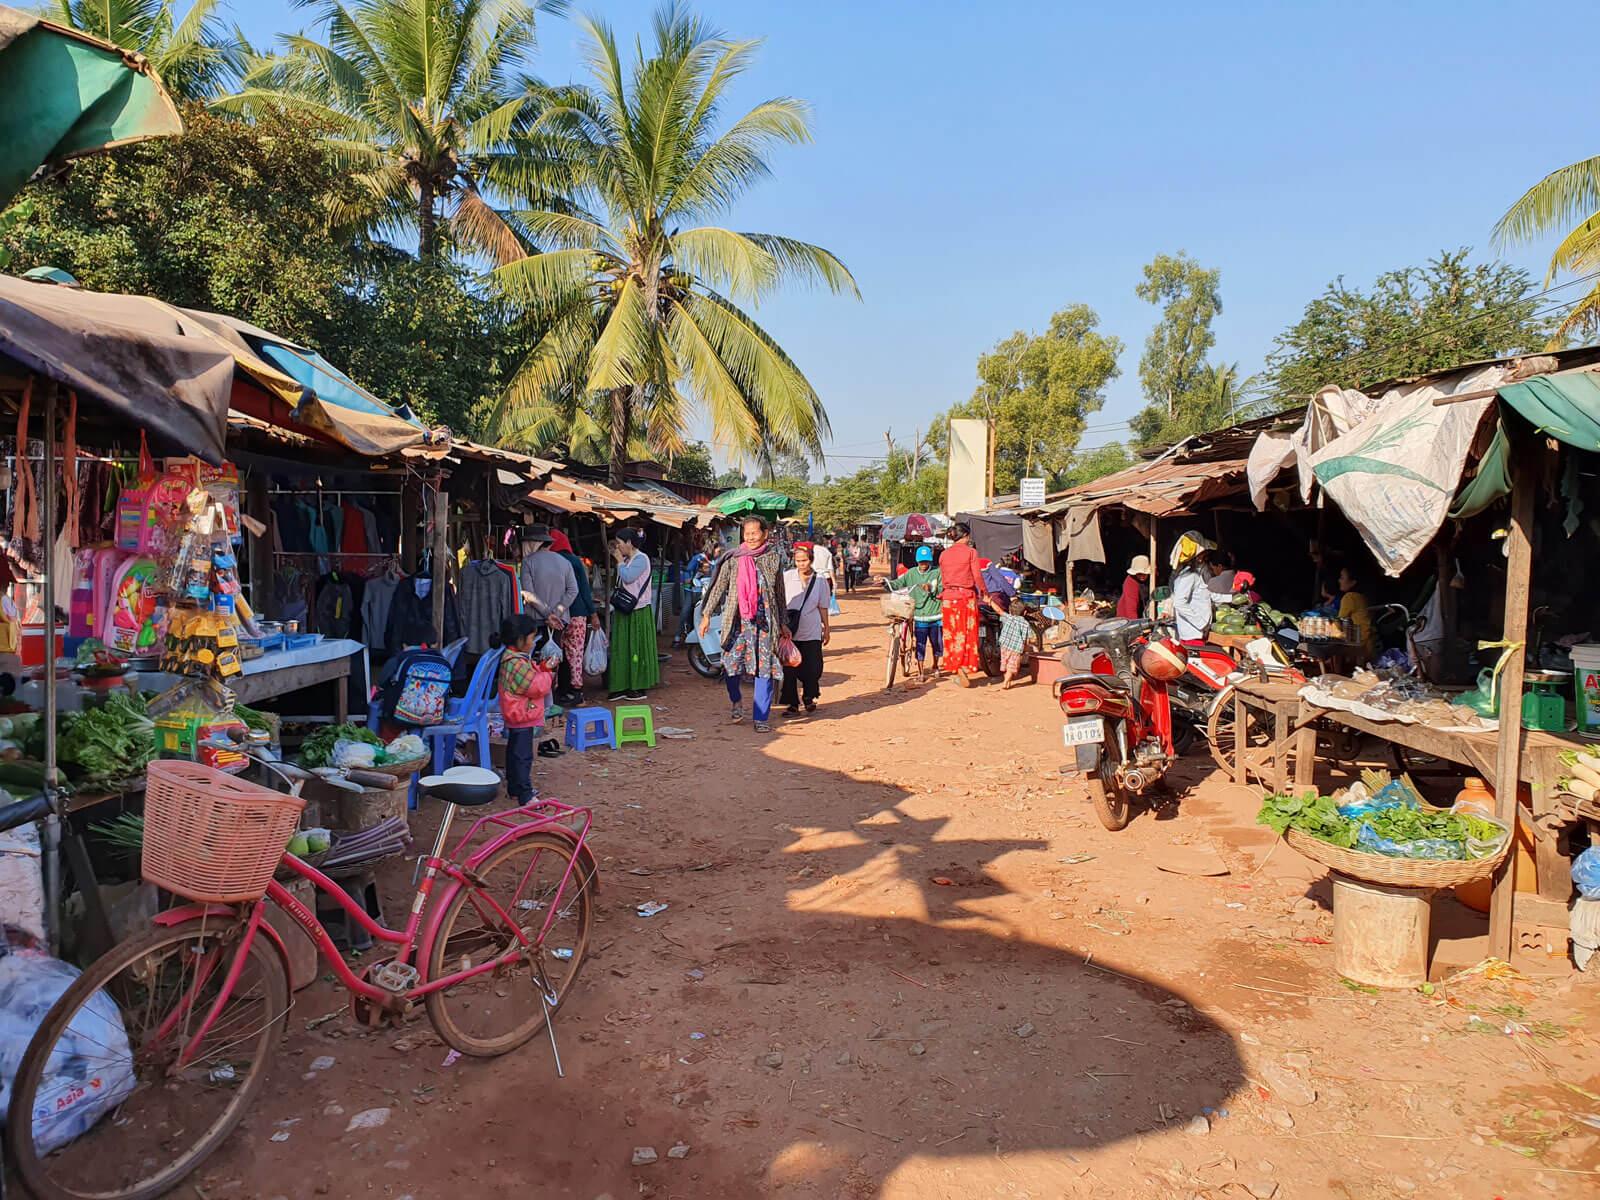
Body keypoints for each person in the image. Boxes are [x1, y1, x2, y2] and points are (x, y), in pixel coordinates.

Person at [700, 515, 788, 732]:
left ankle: (761, 718)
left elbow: (779, 593)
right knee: (731, 666)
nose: (750, 537)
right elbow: (719, 587)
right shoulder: (733, 559)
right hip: (737, 622)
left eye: (755, 533)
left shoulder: (773, 558)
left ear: (765, 534)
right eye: (747, 533)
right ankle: (736, 700)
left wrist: (784, 622)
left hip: (765, 623)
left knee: (764, 668)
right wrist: (707, 614)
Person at [495, 614, 560, 805]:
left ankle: (515, 789)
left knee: (514, 754)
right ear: (520, 639)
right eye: (531, 638)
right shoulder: (515, 663)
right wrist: (548, 673)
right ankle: (525, 795)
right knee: (523, 757)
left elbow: (529, 678)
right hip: (522, 715)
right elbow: (535, 686)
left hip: (518, 715)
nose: (532, 643)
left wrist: (542, 668)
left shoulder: (514, 659)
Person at [372, 621, 450, 736]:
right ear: (434, 644)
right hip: (434, 716)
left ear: (404, 645)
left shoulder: (397, 660)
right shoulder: (441, 660)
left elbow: (383, 681)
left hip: (398, 715)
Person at [780, 542, 832, 715]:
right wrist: (781, 625)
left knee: (813, 668)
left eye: (804, 560)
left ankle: (809, 697)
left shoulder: (820, 581)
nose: (801, 564)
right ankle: (792, 704)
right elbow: (779, 602)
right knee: (789, 670)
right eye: (798, 561)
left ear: (811, 560)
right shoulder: (787, 577)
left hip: (812, 631)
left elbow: (823, 606)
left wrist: (826, 628)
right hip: (789, 631)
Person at [607, 528, 658, 700]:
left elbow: (628, 577)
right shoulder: (629, 560)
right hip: (625, 608)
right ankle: (621, 685)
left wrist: (619, 562)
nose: (618, 547)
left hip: (638, 610)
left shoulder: (641, 559)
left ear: (629, 542)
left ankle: (637, 686)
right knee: (622, 647)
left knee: (637, 647)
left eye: (619, 543)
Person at [938, 522, 990, 687]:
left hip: (948, 598)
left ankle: (956, 665)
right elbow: (977, 576)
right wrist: (984, 592)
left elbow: (943, 578)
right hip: (965, 598)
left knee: (951, 634)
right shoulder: (971, 552)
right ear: (966, 536)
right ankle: (964, 665)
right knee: (967, 634)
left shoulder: (943, 555)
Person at [547, 530, 596, 706]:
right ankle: (577, 692)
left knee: (555, 652)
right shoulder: (575, 561)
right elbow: (584, 590)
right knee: (575, 652)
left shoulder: (549, 561)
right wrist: (593, 613)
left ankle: (555, 692)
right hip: (577, 613)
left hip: (556, 615)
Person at [889, 545, 943, 679]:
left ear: (930, 561)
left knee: (936, 643)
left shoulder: (937, 572)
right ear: (917, 562)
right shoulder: (912, 573)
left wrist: (931, 588)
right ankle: (920, 672)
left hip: (935, 615)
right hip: (919, 616)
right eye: (921, 562)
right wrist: (885, 583)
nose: (923, 565)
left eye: (926, 562)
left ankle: (936, 665)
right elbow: (898, 583)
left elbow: (941, 589)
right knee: (920, 644)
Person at [517, 523, 579, 633]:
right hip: (559, 620)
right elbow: (573, 590)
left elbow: (528, 593)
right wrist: (555, 613)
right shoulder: (565, 562)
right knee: (555, 644)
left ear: (531, 543)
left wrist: (548, 614)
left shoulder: (527, 562)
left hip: (535, 620)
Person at [1169, 529, 1216, 647]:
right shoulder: (1190, 576)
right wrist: (1201, 623)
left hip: (1191, 632)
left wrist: (1229, 598)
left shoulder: (1188, 574)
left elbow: (1207, 594)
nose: (1204, 557)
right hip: (1194, 633)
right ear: (1198, 557)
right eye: (1203, 554)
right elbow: (1179, 603)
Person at [675, 541, 713, 647]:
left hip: (705, 592)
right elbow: (687, 571)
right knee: (685, 611)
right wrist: (689, 580)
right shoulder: (697, 558)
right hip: (692, 591)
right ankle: (678, 636)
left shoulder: (715, 560)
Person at [1337, 564, 1377, 659]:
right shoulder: (1363, 597)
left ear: (1353, 582)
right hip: (1371, 642)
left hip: (1360, 645)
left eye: (1342, 578)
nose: (1339, 580)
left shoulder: (1350, 597)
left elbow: (1339, 622)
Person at [997, 597, 1034, 689]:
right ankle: (1006, 681)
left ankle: (1007, 681)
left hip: (1004, 646)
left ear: (1010, 611)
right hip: (1016, 649)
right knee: (1011, 666)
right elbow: (1029, 639)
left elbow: (999, 611)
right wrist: (1027, 647)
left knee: (1005, 664)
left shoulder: (1008, 618)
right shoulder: (1026, 624)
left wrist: (990, 602)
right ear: (1025, 613)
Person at [1118, 555, 1152, 619]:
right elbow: (1131, 607)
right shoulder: (1130, 582)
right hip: (1128, 615)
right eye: (1139, 574)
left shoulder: (1152, 578)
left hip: (1144, 608)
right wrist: (1135, 622)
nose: (1142, 576)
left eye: (1144, 574)